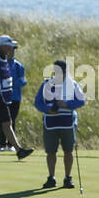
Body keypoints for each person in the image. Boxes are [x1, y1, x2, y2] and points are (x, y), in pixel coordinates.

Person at [33, 59, 86, 188]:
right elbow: (38, 102)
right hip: (51, 122)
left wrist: (67, 104)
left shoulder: (72, 84)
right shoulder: (47, 84)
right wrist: (48, 109)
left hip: (67, 122)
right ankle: (51, 178)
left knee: (68, 151)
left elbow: (81, 100)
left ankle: (68, 178)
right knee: (51, 152)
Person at [0, 42, 26, 152]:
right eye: (10, 49)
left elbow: (23, 81)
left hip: (15, 97)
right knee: (2, 121)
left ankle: (11, 145)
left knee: (12, 120)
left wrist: (12, 83)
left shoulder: (18, 66)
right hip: (2, 97)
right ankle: (2, 145)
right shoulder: (0, 64)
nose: (11, 52)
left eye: (13, 50)